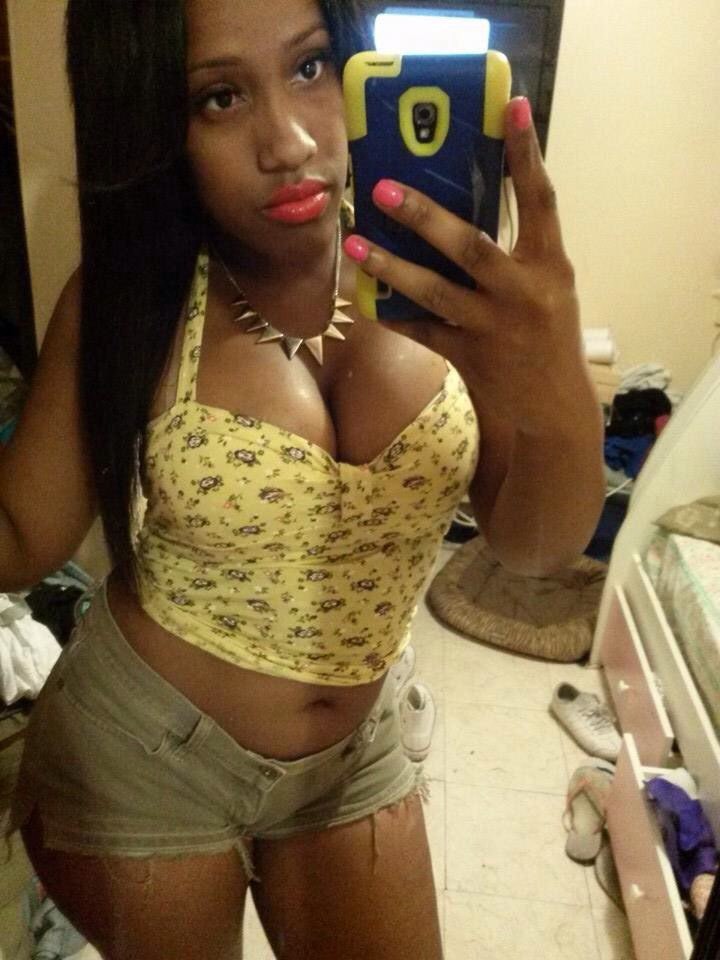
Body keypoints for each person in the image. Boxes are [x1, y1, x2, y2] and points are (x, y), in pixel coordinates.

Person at [0, 1, 605, 957]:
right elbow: (20, 540)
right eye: (220, 97)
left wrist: (555, 362)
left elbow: (536, 549)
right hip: (147, 755)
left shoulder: (455, 293)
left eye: (313, 66)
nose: (288, 143)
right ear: (156, 121)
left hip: (354, 759)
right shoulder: (134, 296)